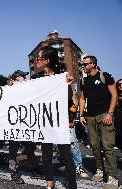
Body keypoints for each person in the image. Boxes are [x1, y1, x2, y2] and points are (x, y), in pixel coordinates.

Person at [32, 46, 77, 189]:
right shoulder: (35, 78)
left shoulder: (61, 77)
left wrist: (69, 85)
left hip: (60, 121)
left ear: (47, 60)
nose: (36, 61)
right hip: (44, 121)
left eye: (38, 58)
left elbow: (72, 100)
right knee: (46, 155)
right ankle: (49, 184)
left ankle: (72, 185)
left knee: (66, 156)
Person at [79, 55, 118, 189]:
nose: (83, 66)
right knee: (95, 146)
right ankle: (100, 171)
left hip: (104, 115)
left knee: (108, 147)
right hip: (90, 117)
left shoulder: (104, 76)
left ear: (93, 64)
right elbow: (83, 98)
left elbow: (114, 95)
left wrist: (110, 113)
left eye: (85, 64)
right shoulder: (84, 81)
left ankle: (112, 177)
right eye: (82, 64)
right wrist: (82, 114)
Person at [8, 70, 43, 184]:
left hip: (25, 125)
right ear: (17, 78)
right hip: (13, 125)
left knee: (30, 147)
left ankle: (33, 169)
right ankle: (13, 171)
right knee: (13, 149)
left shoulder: (27, 89)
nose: (25, 78)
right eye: (23, 76)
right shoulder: (10, 89)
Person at [114, 79, 122, 150]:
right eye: (119, 84)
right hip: (117, 114)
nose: (121, 86)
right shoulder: (115, 93)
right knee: (118, 131)